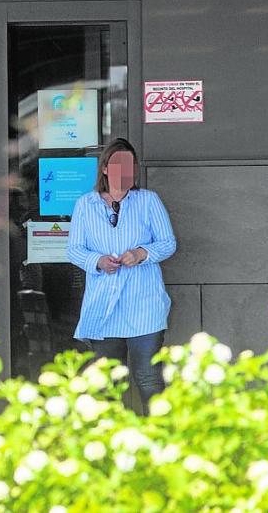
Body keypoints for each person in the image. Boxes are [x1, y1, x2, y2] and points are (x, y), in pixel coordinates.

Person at [67, 138, 177, 407]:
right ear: (105, 168)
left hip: (144, 306)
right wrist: (98, 261)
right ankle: (111, 433)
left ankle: (159, 432)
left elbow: (168, 243)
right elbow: (74, 250)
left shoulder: (148, 201)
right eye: (118, 164)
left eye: (129, 165)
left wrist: (141, 254)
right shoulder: (85, 205)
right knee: (106, 384)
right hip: (103, 307)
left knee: (149, 379)